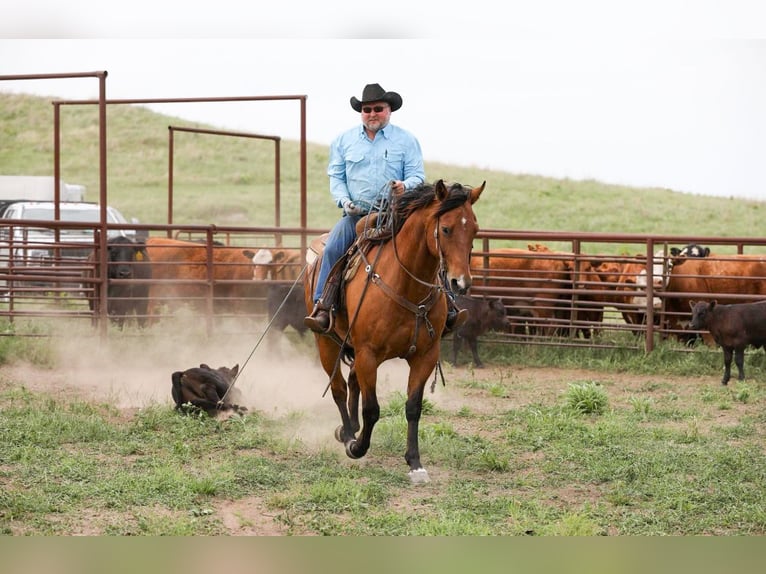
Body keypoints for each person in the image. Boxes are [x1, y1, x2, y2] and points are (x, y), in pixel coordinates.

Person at [304, 83, 467, 335]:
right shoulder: (343, 141)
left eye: (378, 109)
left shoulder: (406, 140)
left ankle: (448, 307)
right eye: (367, 109)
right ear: (361, 112)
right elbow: (336, 177)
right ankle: (323, 306)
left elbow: (416, 175)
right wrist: (344, 200)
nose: (372, 113)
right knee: (334, 247)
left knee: (430, 246)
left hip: (398, 215)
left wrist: (404, 186)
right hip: (357, 215)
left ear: (388, 110)